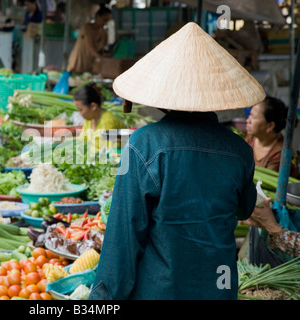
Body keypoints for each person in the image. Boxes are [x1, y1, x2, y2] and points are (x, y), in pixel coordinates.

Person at [88, 22, 266, 300]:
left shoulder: (142, 145)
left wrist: (102, 300)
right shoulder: (239, 150)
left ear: (163, 96)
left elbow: (123, 238)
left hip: (161, 290)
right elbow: (244, 210)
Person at [245, 96, 299, 178]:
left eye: (254, 117)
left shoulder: (281, 155)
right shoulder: (250, 139)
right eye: (250, 115)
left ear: (270, 126)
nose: (248, 120)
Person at [74, 82, 125, 151]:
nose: (80, 114)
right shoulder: (89, 119)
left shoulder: (108, 121)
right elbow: (82, 139)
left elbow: (109, 151)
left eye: (81, 110)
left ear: (93, 106)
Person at [66, 5, 112, 75]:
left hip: (90, 63)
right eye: (104, 20)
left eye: (107, 21)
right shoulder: (87, 28)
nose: (105, 23)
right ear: (97, 17)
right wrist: (102, 59)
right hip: (79, 61)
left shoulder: (104, 33)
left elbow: (102, 50)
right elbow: (90, 46)